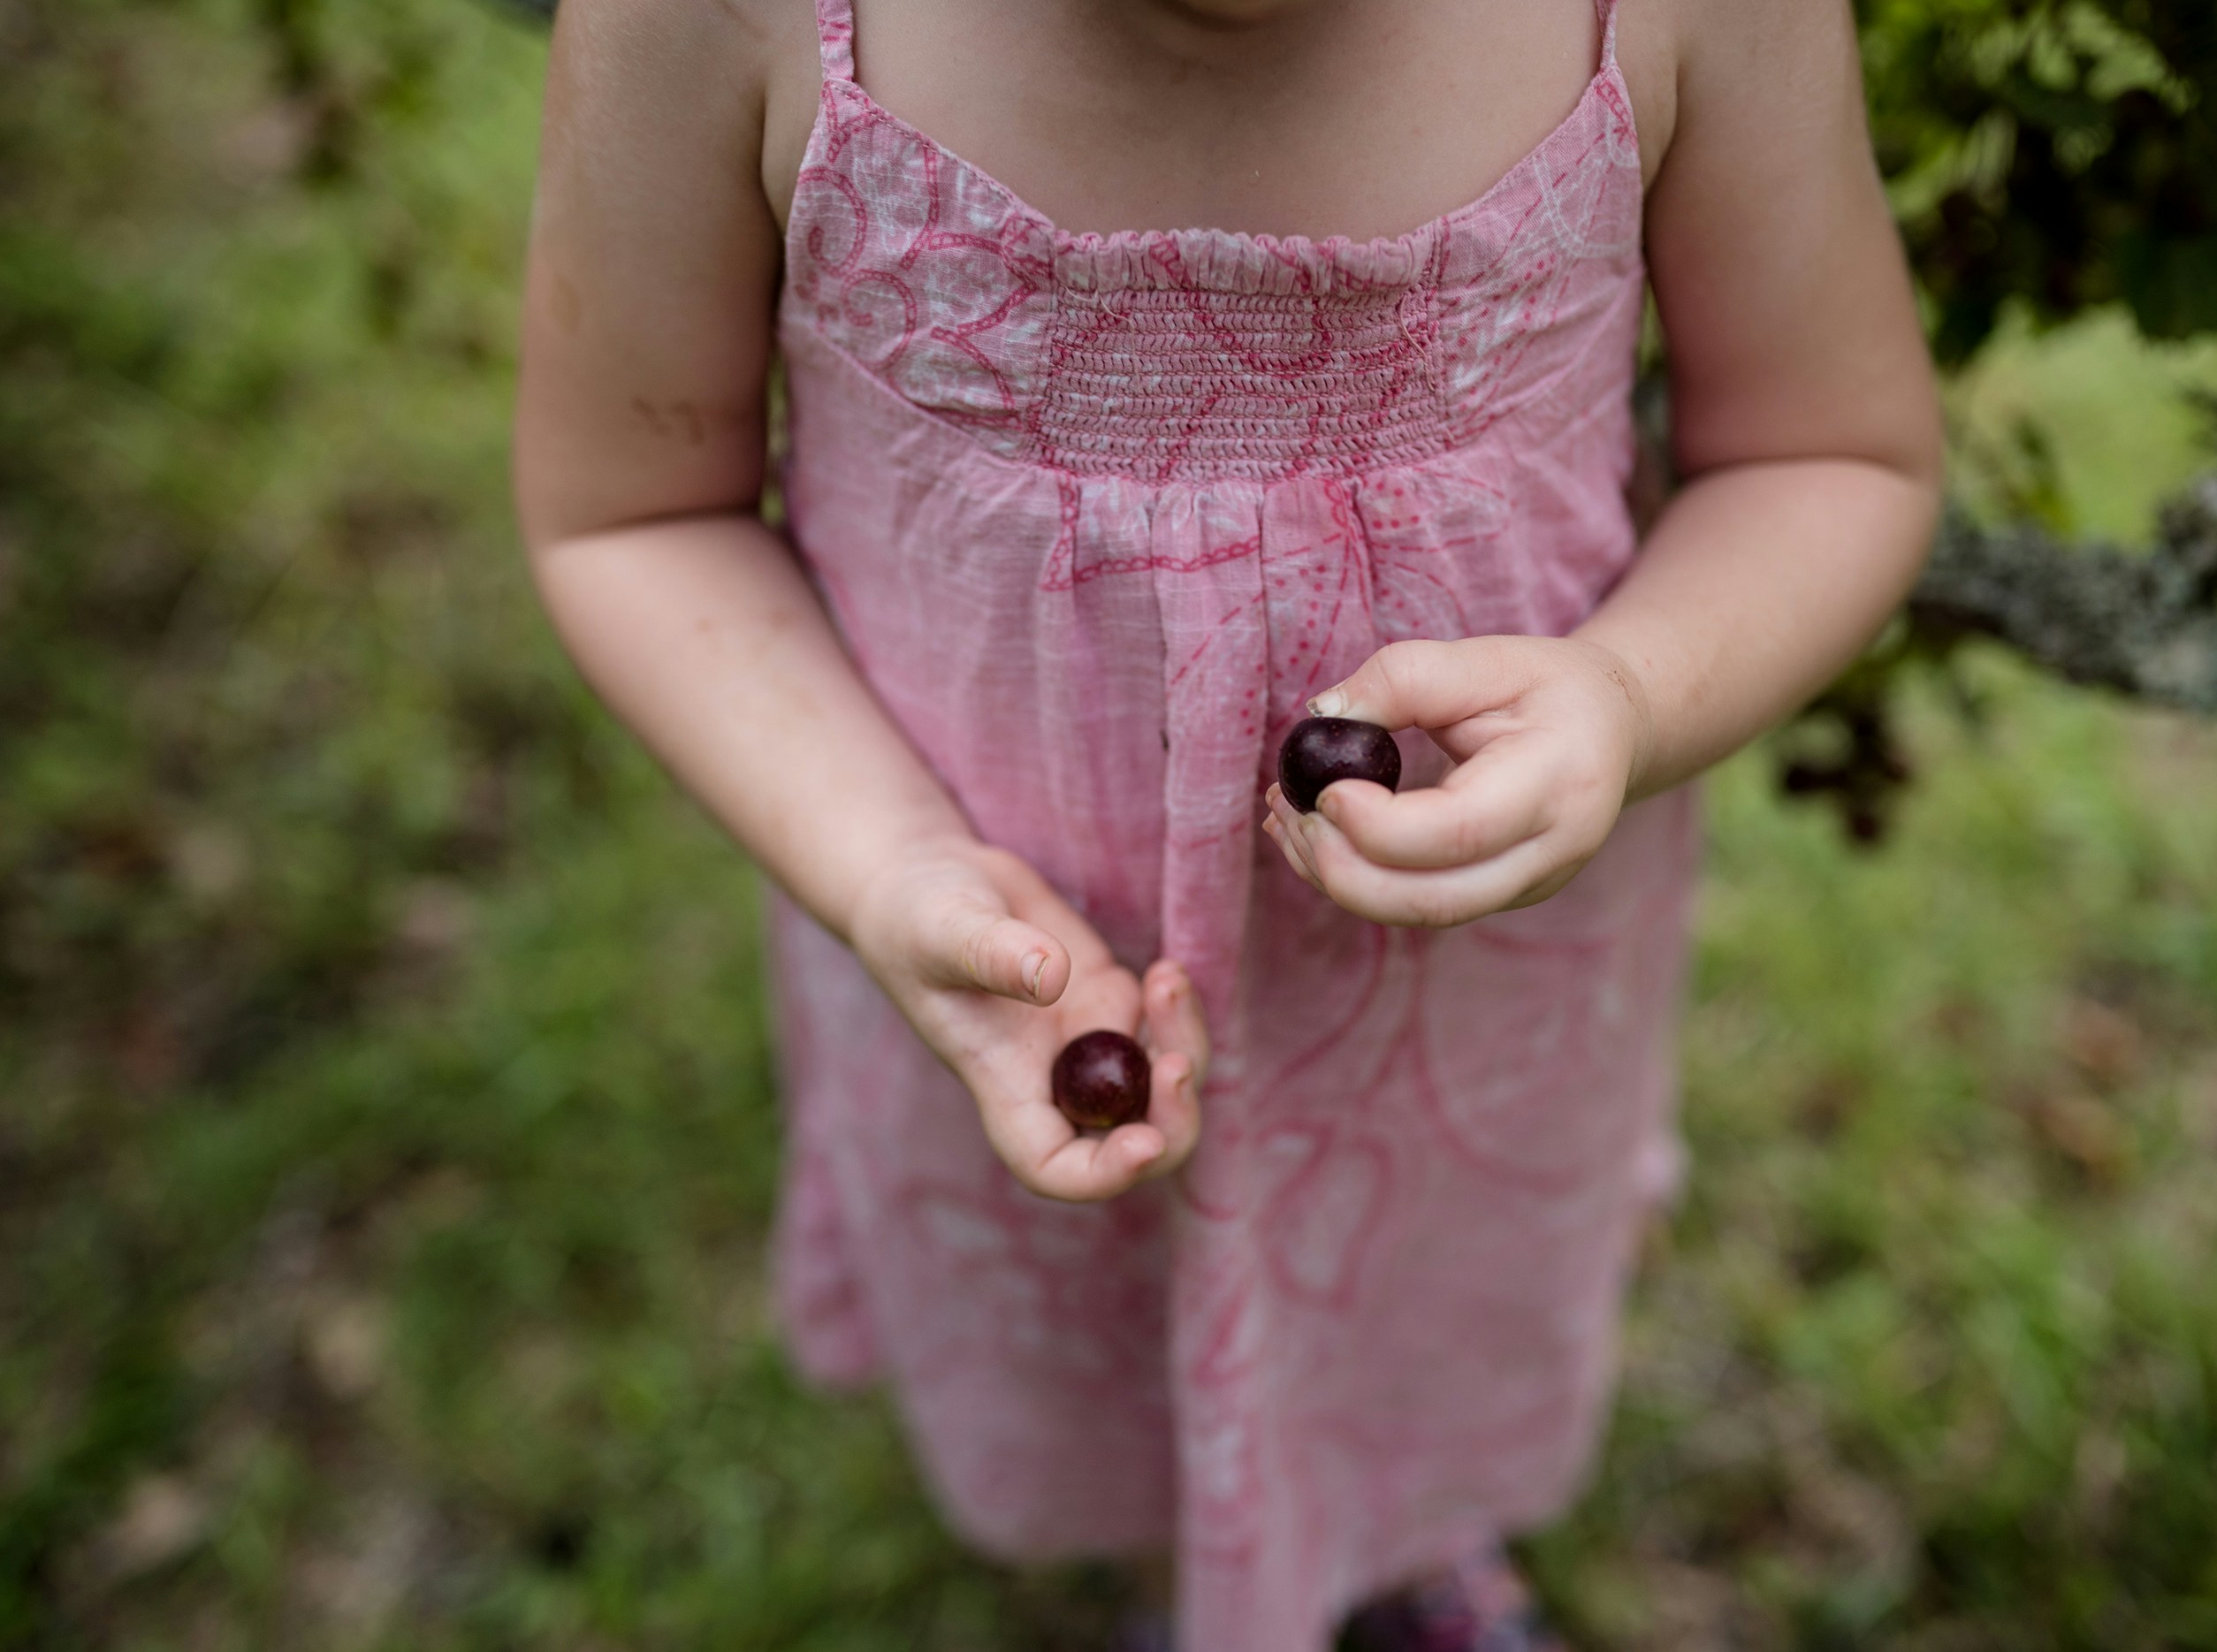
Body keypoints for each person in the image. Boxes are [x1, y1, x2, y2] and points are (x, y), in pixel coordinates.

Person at [512, 0, 1940, 1645]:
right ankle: (1163, 1572)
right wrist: (881, 862)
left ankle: (1406, 1557)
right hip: (999, 963)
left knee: (1410, 1312)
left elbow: (1833, 449)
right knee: (1094, 1316)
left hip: (1460, 1007)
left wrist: (1625, 691)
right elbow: (629, 511)